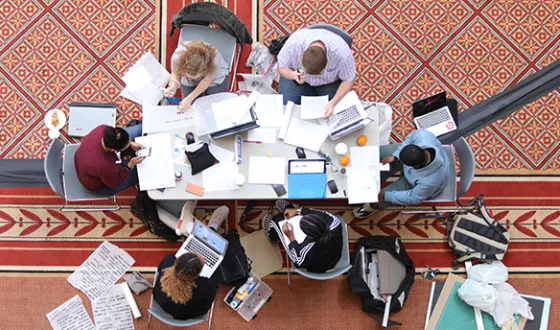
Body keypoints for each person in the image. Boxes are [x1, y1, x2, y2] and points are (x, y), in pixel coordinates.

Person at [353, 130, 450, 218]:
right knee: (376, 153)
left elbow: (414, 197)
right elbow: (409, 140)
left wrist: (386, 196)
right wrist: (395, 155)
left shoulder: (431, 181)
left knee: (378, 198)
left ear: (415, 167)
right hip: (407, 160)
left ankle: (370, 207)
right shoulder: (423, 135)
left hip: (413, 185)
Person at [277, 28, 356, 117]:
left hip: (329, 82)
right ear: (301, 57)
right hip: (297, 79)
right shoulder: (293, 44)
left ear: (327, 61)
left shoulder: (341, 53)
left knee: (340, 112)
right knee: (286, 109)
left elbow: (349, 79)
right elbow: (282, 66)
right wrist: (293, 75)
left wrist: (332, 103)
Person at [263, 200, 342, 273]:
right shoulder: (334, 222)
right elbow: (319, 213)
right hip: (334, 257)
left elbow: (299, 261)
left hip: (315, 266)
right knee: (295, 210)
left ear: (309, 236)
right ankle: (292, 209)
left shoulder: (308, 250)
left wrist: (291, 237)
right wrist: (297, 211)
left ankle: (271, 235)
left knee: (277, 222)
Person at [75, 124, 144, 195]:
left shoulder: (103, 129)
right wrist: (129, 166)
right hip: (101, 184)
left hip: (84, 157)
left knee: (140, 129)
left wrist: (131, 143)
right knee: (139, 173)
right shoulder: (105, 166)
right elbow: (115, 183)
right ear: (113, 150)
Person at [164, 40, 230, 112]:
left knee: (216, 105)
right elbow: (176, 73)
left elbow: (207, 80)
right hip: (189, 75)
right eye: (188, 76)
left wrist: (189, 98)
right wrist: (174, 85)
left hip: (216, 75)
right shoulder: (177, 57)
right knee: (190, 107)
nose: (192, 79)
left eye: (196, 77)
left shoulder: (215, 60)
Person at [153, 252, 216, 320]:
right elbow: (207, 305)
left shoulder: (167, 261)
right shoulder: (206, 285)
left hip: (162, 304)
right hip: (187, 314)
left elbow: (160, 270)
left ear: (176, 262)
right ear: (197, 274)